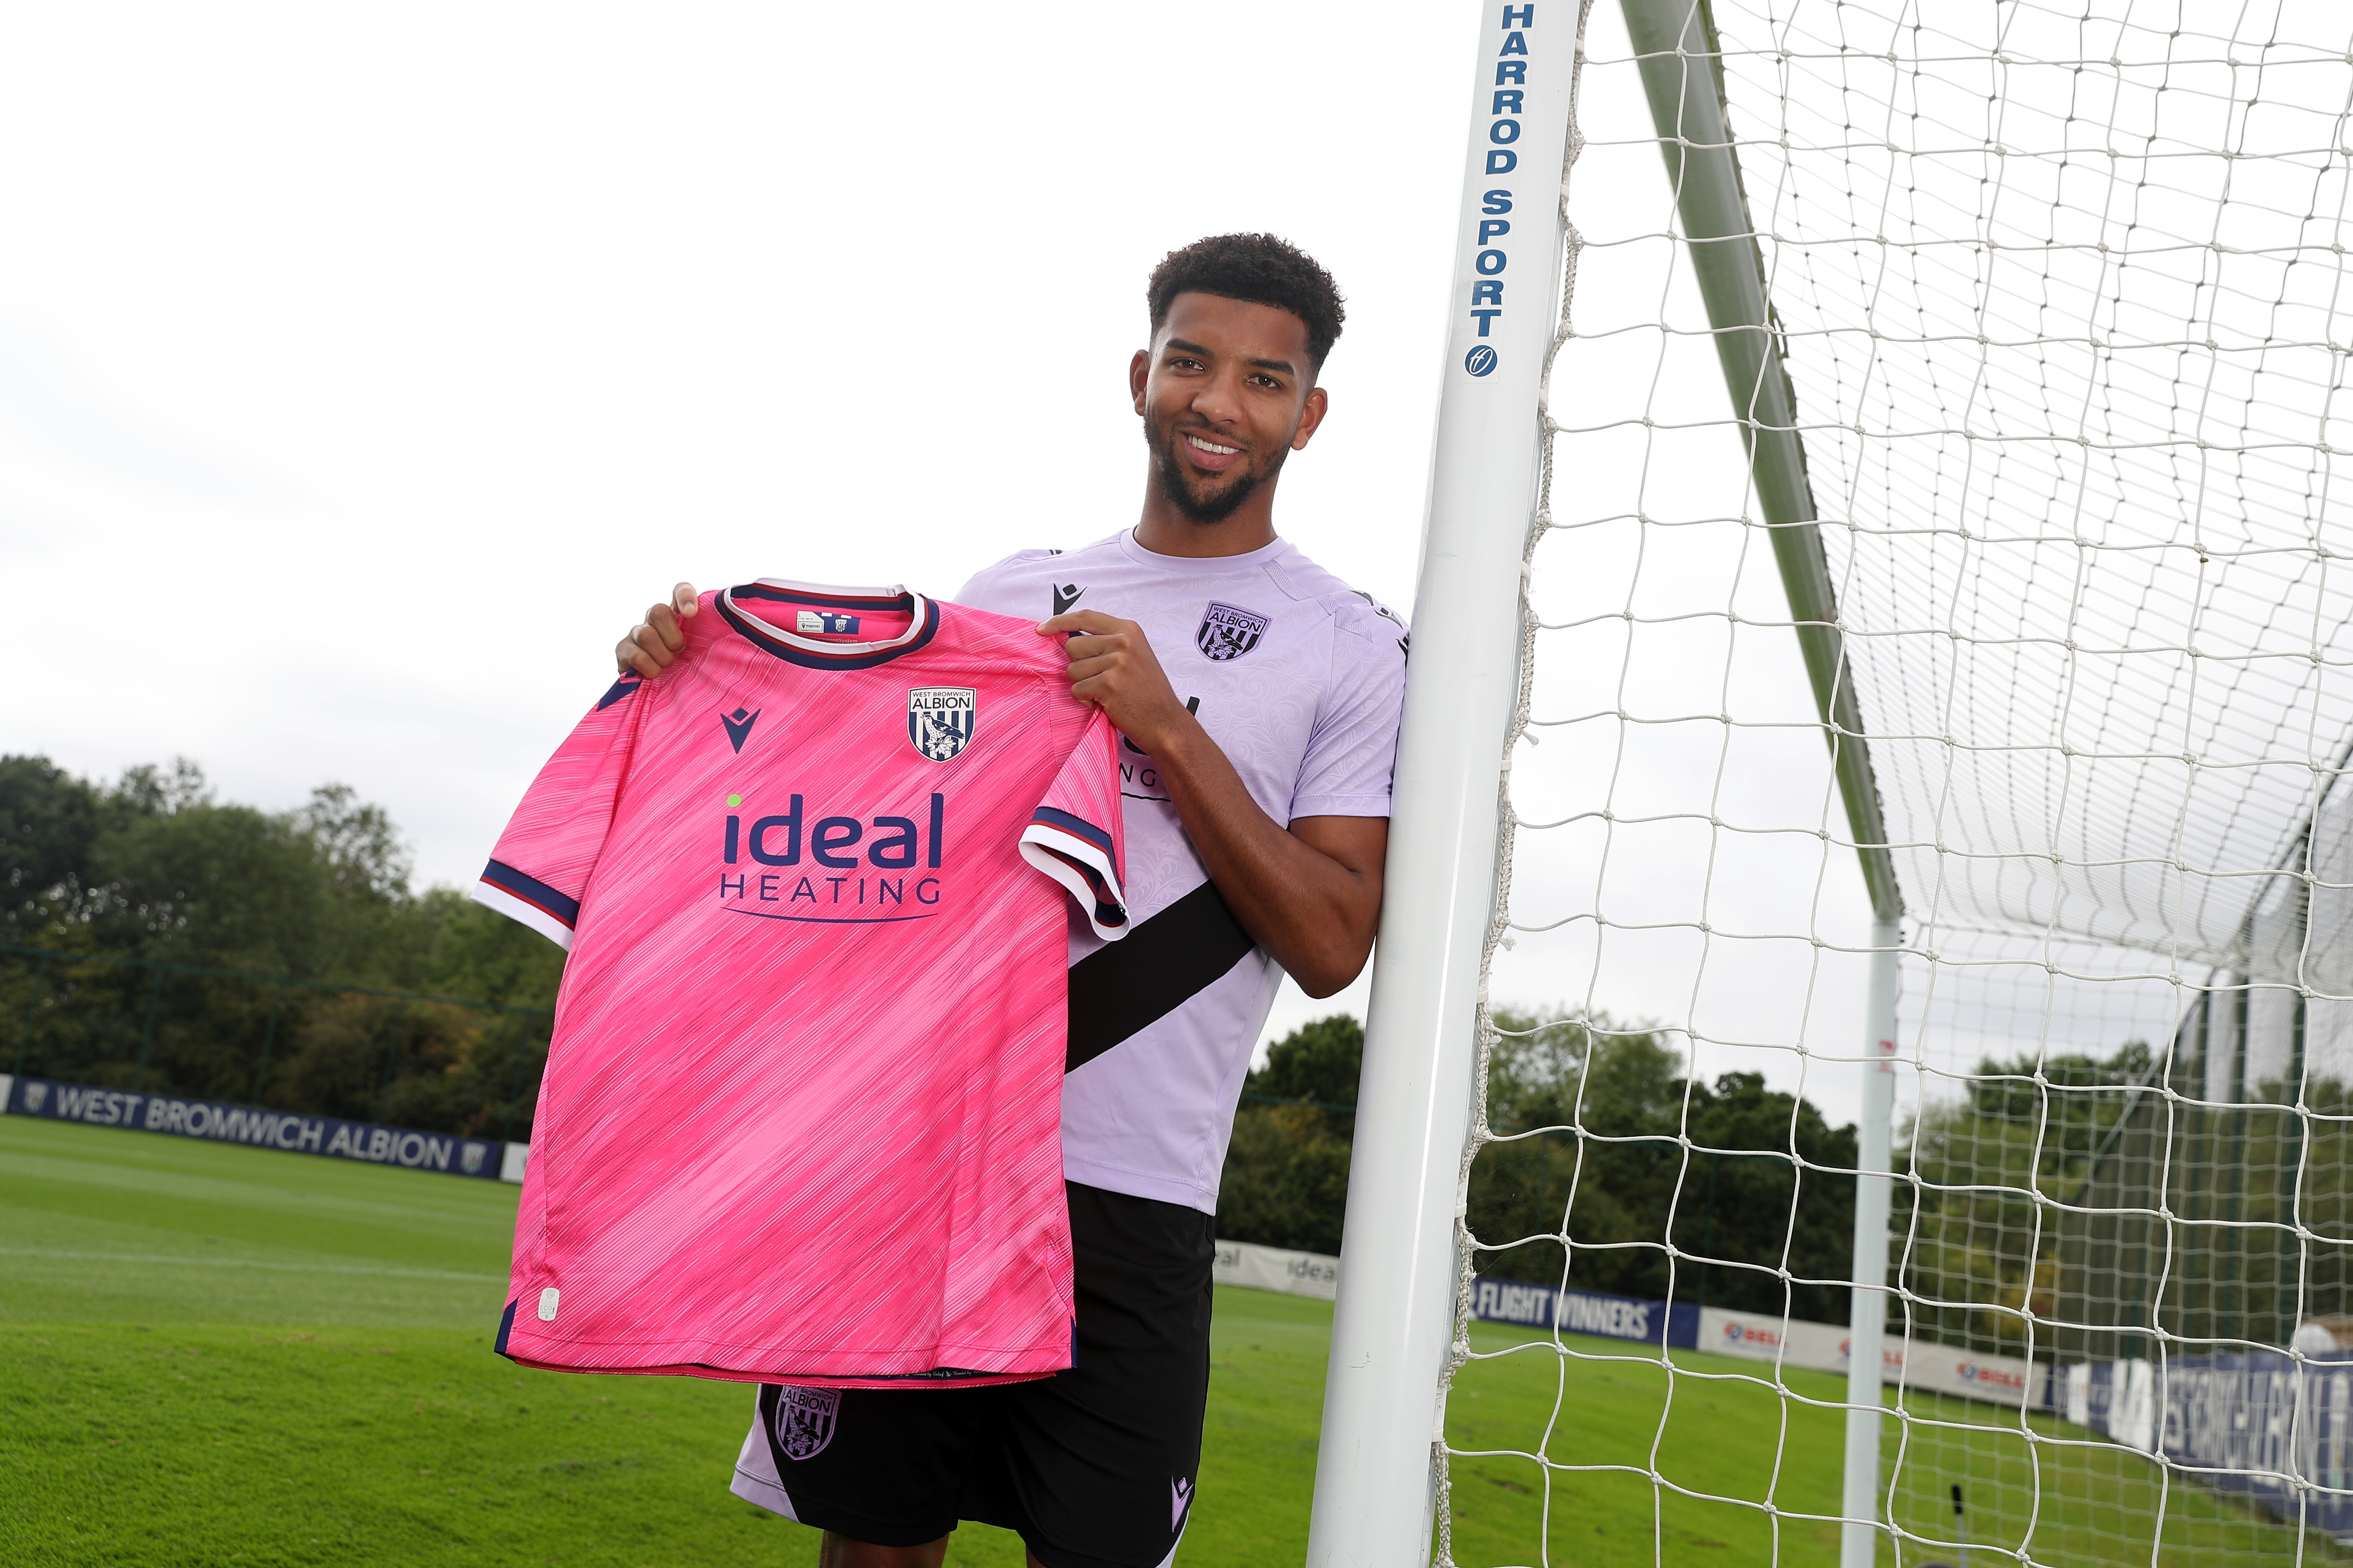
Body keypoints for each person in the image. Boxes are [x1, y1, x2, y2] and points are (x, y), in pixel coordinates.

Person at [612, 233, 1408, 1568]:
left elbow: (1334, 940)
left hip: (1136, 1199)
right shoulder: (1007, 599)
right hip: (927, 1156)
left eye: (1264, 380)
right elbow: (868, 828)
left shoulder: (1349, 644)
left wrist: (1165, 725)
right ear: (1140, 376)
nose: (1221, 401)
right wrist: (698, 680)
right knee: (875, 1546)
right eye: (1191, 363)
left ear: (1308, 414)